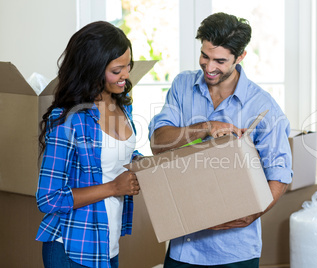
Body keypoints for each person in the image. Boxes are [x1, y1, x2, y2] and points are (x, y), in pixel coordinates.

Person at [149, 12, 293, 267]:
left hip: (235, 250)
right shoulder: (183, 86)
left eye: (220, 61)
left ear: (240, 58)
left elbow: (279, 173)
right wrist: (206, 127)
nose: (210, 67)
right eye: (205, 56)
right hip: (184, 247)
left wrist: (251, 215)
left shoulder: (263, 106)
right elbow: (159, 142)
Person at [36, 21, 142, 268]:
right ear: (92, 69)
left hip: (106, 245)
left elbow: (114, 157)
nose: (126, 75)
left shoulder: (123, 106)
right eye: (117, 70)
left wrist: (140, 163)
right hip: (72, 248)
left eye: (128, 65)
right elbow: (48, 199)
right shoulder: (69, 119)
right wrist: (114, 187)